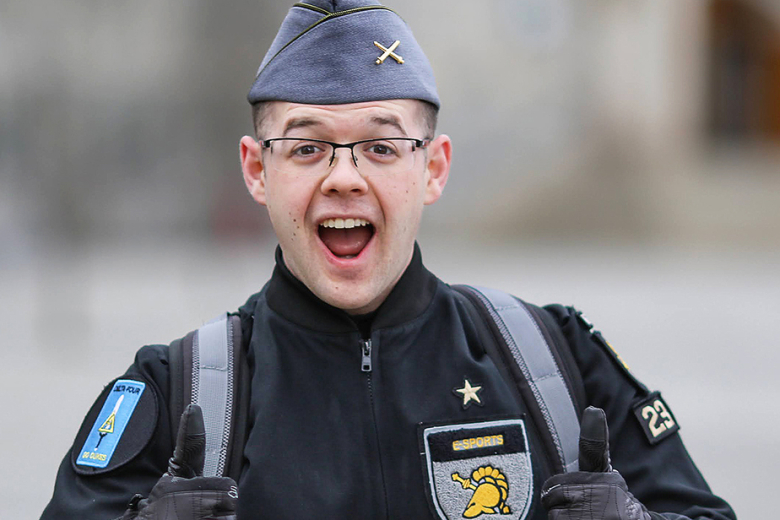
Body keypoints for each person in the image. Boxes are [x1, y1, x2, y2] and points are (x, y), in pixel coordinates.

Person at [41, 1, 736, 519]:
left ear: (434, 168)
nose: (344, 179)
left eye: (381, 146)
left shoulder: (556, 365)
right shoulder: (175, 395)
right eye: (307, 147)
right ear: (256, 170)